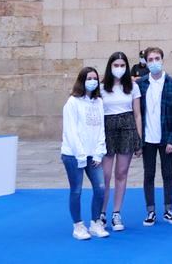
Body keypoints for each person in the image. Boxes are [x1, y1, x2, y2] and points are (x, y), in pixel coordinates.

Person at [61, 66, 108, 240]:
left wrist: (99, 152)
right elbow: (71, 131)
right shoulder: (72, 102)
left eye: (95, 78)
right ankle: (78, 226)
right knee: (76, 190)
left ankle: (95, 222)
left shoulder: (99, 102)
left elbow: (101, 128)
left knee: (100, 188)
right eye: (89, 78)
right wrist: (80, 155)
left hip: (93, 154)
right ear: (82, 81)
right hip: (73, 155)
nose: (92, 81)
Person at [138, 46, 172, 226]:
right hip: (147, 139)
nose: (154, 62)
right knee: (148, 175)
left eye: (157, 59)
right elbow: (137, 114)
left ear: (162, 60)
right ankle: (150, 211)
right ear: (146, 62)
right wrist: (138, 140)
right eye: (150, 59)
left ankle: (168, 210)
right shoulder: (140, 84)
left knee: (168, 174)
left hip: (166, 139)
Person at [99, 52, 142, 232]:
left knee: (121, 173)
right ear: (110, 67)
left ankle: (116, 213)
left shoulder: (132, 87)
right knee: (105, 175)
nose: (119, 68)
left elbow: (137, 114)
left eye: (122, 65)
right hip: (107, 128)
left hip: (127, 128)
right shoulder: (101, 88)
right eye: (116, 65)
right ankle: (101, 213)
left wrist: (139, 139)